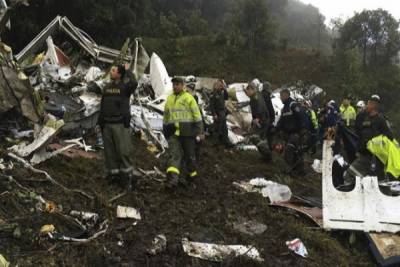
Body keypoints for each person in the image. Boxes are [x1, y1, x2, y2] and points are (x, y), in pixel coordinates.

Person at [95, 65, 140, 191]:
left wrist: (128, 71)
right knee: (109, 152)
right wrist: (100, 123)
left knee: (123, 151)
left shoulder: (125, 88)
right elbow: (103, 105)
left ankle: (127, 177)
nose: (111, 72)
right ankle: (113, 175)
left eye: (114, 70)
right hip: (107, 124)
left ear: (119, 74)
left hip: (119, 124)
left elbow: (134, 83)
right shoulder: (107, 88)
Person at [163, 77, 204, 188]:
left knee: (189, 158)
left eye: (177, 84)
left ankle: (191, 178)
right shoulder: (170, 98)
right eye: (174, 84)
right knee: (174, 156)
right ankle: (173, 180)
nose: (175, 86)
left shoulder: (189, 98)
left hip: (188, 134)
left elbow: (197, 116)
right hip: (174, 133)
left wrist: (200, 132)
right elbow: (166, 116)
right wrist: (165, 130)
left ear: (182, 85)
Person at [344, 95, 394, 183]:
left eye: (369, 104)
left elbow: (389, 137)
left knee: (378, 181)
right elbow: (359, 134)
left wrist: (378, 143)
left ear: (374, 105)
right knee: (352, 175)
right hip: (364, 155)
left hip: (375, 158)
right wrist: (358, 150)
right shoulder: (363, 117)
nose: (367, 106)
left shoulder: (381, 120)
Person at [275, 89, 308, 175]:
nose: (280, 98)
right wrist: (276, 128)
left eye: (281, 96)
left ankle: (290, 170)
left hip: (296, 133)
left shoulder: (292, 105)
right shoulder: (284, 108)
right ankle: (299, 170)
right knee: (295, 151)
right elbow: (281, 121)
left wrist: (302, 130)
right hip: (289, 134)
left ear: (286, 95)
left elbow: (301, 116)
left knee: (290, 150)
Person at [244, 80, 272, 160]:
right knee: (258, 137)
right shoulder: (255, 96)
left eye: (247, 91)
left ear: (251, 89)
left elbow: (260, 108)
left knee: (256, 137)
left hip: (262, 120)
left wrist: (258, 119)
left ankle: (267, 155)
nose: (247, 93)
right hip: (261, 119)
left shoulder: (256, 97)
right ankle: (266, 155)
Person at [210, 79, 230, 147]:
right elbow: (211, 105)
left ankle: (226, 142)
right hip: (218, 113)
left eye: (221, 85)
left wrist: (225, 89)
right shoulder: (213, 94)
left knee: (224, 128)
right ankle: (215, 143)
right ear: (215, 85)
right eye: (218, 85)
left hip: (223, 112)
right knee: (217, 128)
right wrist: (214, 114)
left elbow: (226, 97)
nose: (220, 86)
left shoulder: (221, 93)